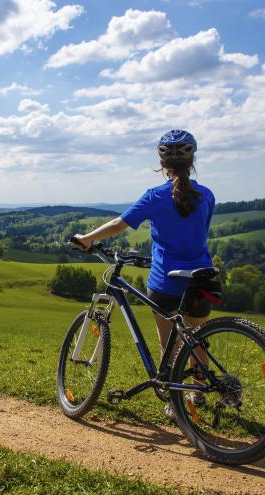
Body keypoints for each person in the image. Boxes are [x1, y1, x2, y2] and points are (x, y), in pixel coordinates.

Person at [72, 129, 216, 419]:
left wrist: (87, 238)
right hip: (202, 276)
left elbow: (119, 224)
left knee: (169, 343)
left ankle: (174, 402)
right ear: (193, 160)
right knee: (196, 337)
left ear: (162, 164)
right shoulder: (207, 195)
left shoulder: (155, 196)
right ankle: (198, 392)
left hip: (166, 280)